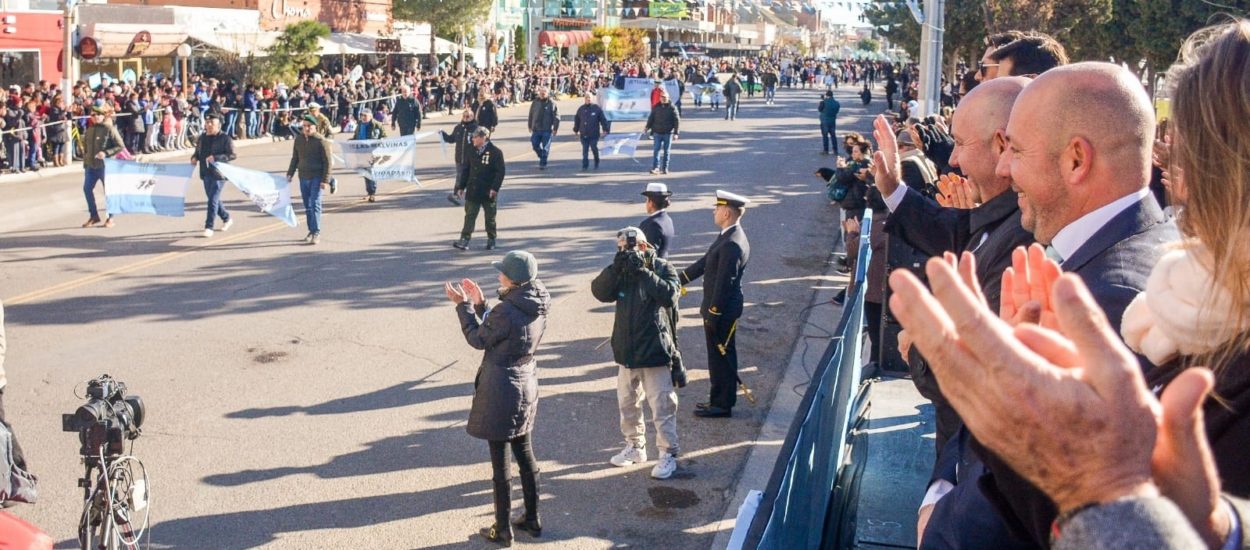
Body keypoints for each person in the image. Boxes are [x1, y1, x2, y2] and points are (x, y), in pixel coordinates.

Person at [921, 63, 1182, 549]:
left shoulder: (1111, 302)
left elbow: (1036, 498)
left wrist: (940, 522)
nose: (1002, 168)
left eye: (1015, 151)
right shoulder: (1103, 253)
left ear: (1076, 160)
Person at [873, 78, 1036, 453]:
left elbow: (975, 375)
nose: (952, 159)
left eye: (961, 144)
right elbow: (960, 232)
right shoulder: (1004, 215)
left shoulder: (1026, 234)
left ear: (1001, 144)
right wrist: (893, 188)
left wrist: (919, 344)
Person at [445, 250, 550, 547]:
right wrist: (481, 304)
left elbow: (479, 338)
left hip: (501, 389)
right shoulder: (537, 300)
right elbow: (505, 329)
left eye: (502, 272)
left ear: (514, 279)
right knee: (525, 454)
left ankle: (502, 530)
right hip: (525, 382)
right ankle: (532, 517)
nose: (498, 275)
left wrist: (464, 307)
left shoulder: (508, 310)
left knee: (500, 465)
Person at [591, 228, 683, 480]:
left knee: (662, 406)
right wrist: (614, 268)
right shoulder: (622, 270)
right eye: (620, 248)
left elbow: (670, 295)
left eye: (628, 248)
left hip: (654, 351)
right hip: (627, 351)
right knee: (627, 404)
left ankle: (667, 454)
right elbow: (599, 292)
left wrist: (643, 271)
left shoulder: (662, 268)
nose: (624, 252)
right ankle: (635, 446)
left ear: (643, 246)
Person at [680, 190, 751, 418]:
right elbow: (706, 263)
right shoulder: (728, 235)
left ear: (727, 212)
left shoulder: (732, 243)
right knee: (718, 356)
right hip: (720, 309)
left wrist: (713, 313)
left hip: (721, 310)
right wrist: (679, 278)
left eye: (717, 208)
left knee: (721, 357)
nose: (714, 211)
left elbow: (724, 283)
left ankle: (722, 404)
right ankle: (717, 398)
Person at [453, 128, 506, 251]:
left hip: (488, 191)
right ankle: (464, 239)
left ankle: (491, 239)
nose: (473, 139)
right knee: (470, 216)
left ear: (483, 138)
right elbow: (466, 170)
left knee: (490, 217)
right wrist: (461, 186)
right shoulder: (471, 151)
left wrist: (495, 188)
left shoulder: (495, 152)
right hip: (473, 190)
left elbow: (500, 173)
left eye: (475, 137)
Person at [286, 115, 335, 245]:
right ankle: (311, 230)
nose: (307, 128)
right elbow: (295, 158)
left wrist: (325, 180)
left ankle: (316, 232)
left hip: (317, 177)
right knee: (307, 206)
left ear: (315, 127)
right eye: (304, 126)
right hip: (303, 177)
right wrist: (290, 173)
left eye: (309, 126)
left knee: (315, 204)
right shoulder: (299, 140)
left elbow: (328, 162)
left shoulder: (321, 141)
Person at [190, 113, 236, 238]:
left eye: (212, 123)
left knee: (212, 200)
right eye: (207, 123)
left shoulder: (225, 138)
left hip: (219, 174)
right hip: (205, 173)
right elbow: (197, 153)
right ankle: (227, 218)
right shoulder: (202, 138)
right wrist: (194, 158)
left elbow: (232, 155)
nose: (209, 125)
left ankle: (209, 226)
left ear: (218, 125)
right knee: (212, 198)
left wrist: (216, 158)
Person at [80, 104, 125, 229]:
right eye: (93, 115)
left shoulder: (109, 129)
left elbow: (120, 145)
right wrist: (86, 164)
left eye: (98, 115)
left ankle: (110, 218)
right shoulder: (89, 130)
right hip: (91, 166)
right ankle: (93, 216)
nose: (95, 117)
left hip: (106, 166)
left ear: (103, 116)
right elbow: (87, 149)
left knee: (108, 192)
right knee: (87, 189)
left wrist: (106, 153)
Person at [441, 110, 479, 206]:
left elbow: (481, 143)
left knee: (472, 178)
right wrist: (442, 134)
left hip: (471, 159)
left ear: (472, 117)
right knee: (460, 177)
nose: (466, 118)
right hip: (459, 158)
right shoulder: (458, 128)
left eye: (468, 116)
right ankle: (456, 195)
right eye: (464, 116)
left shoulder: (476, 129)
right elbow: (451, 139)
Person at [350, 108, 387, 202]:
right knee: (365, 173)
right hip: (361, 151)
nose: (363, 117)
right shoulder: (359, 125)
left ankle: (372, 193)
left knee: (370, 172)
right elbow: (356, 136)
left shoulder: (376, 125)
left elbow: (384, 136)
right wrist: (350, 142)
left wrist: (381, 140)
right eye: (362, 115)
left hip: (371, 152)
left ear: (370, 116)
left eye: (365, 116)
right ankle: (369, 191)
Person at [645, 90, 680, 175]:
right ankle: (656, 167)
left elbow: (677, 120)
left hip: (667, 132)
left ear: (668, 98)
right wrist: (647, 127)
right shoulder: (656, 107)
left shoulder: (672, 108)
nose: (663, 99)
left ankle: (665, 168)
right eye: (661, 97)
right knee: (656, 150)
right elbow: (651, 118)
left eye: (664, 97)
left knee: (666, 151)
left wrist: (676, 133)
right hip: (657, 132)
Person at [639, 183, 675, 259]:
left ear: (650, 202)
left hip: (655, 268)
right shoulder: (667, 219)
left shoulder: (652, 224)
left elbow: (649, 254)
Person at [572, 93, 608, 171]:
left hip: (594, 134)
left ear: (592, 98)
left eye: (590, 97)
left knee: (594, 148)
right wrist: (575, 130)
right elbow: (577, 120)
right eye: (586, 97)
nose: (588, 99)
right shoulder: (581, 109)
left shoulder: (596, 108)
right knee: (585, 150)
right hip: (584, 134)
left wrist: (605, 129)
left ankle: (596, 161)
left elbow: (603, 120)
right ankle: (585, 166)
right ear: (584, 99)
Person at [527, 86, 559, 170]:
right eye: (541, 92)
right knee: (535, 145)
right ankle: (541, 155)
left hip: (547, 129)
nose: (542, 94)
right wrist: (529, 125)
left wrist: (555, 128)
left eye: (544, 92)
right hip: (536, 129)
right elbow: (531, 114)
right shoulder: (535, 102)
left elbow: (557, 117)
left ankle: (543, 163)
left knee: (545, 148)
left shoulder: (552, 103)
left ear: (547, 93)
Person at [818, 90, 840, 155]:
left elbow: (819, 109)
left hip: (824, 121)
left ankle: (826, 150)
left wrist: (822, 101)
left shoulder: (823, 102)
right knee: (833, 136)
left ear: (826, 95)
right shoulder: (836, 103)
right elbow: (836, 111)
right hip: (832, 121)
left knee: (825, 136)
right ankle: (835, 150)